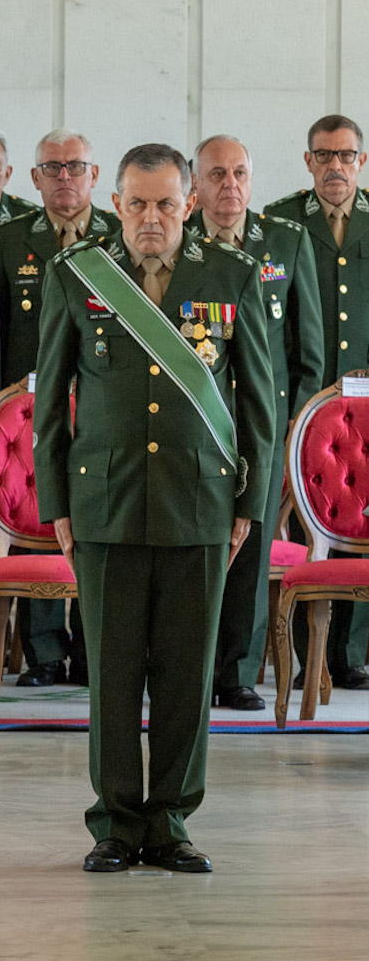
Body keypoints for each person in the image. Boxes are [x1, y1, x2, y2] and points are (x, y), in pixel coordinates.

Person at [33, 143, 274, 874]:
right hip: (103, 501)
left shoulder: (231, 276)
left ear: (190, 204)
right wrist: (58, 506)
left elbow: (261, 406)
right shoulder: (78, 276)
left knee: (185, 670)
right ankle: (114, 822)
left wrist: (248, 505)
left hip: (199, 501)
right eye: (136, 203)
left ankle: (169, 819)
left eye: (165, 203)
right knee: (109, 672)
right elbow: (51, 402)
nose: (150, 217)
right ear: (117, 204)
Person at [190, 136, 321, 711]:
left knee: (252, 549)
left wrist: (296, 427)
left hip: (262, 428)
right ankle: (187, 668)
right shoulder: (180, 243)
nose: (230, 186)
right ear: (195, 184)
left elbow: (308, 351)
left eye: (240, 173)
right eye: (217, 174)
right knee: (194, 548)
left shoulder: (286, 241)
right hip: (198, 425)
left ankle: (236, 672)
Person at [0, 128, 119, 688]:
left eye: (75, 166)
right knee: (38, 518)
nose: (64, 176)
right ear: (35, 178)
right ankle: (43, 654)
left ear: (95, 175)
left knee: (95, 525)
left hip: (100, 407)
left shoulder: (120, 238)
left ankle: (93, 651)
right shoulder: (8, 239)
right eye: (52, 168)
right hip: (29, 413)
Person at [265, 114, 369, 689]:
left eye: (346, 155)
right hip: (307, 401)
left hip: (368, 405)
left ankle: (350, 655)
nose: (335, 166)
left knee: (363, 522)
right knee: (309, 529)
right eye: (324, 156)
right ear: (308, 162)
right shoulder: (280, 222)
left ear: (361, 161)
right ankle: (307, 655)